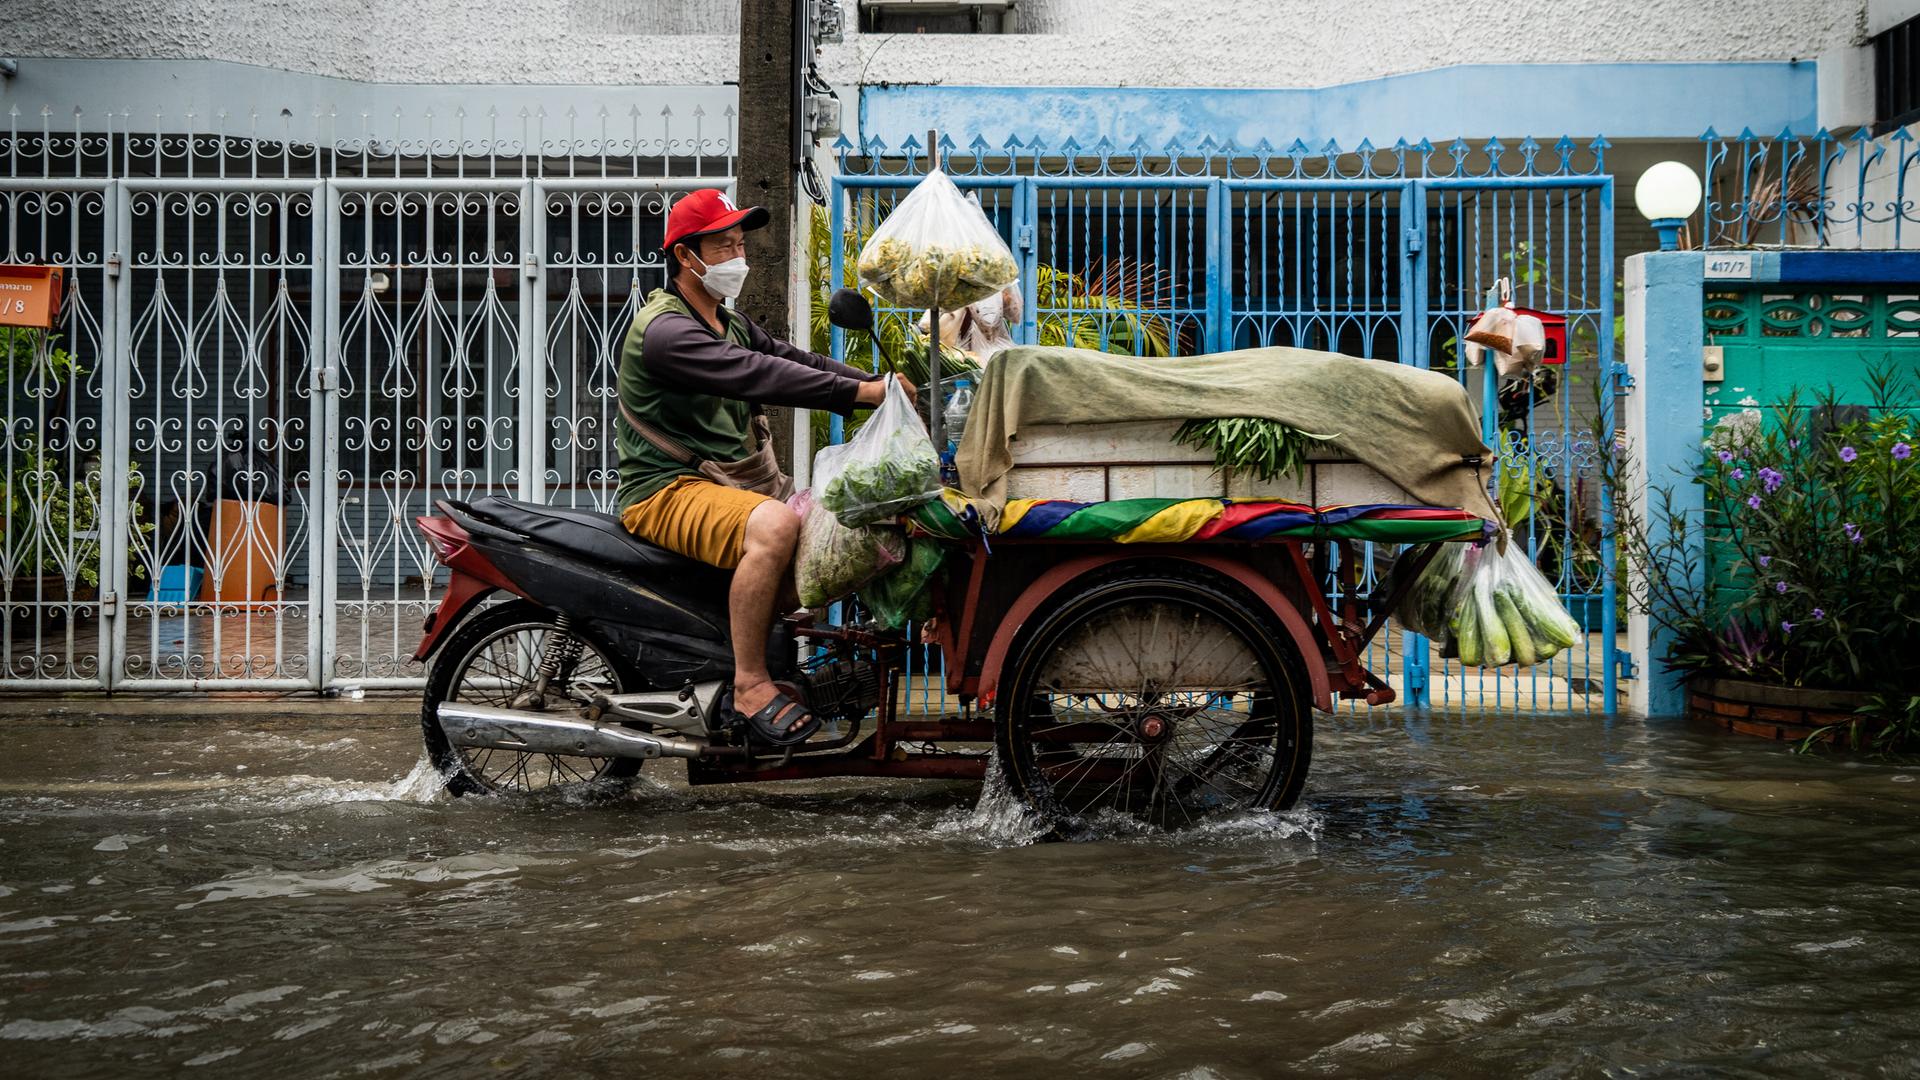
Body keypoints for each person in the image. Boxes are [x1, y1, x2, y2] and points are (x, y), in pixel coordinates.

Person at [614, 188, 910, 746]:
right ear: (685, 255)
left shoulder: (728, 321)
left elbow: (792, 359)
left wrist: (879, 385)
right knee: (776, 526)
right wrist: (861, 395)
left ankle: (736, 650)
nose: (738, 257)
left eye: (740, 243)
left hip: (724, 484)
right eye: (723, 246)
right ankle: (750, 683)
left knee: (840, 528)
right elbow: (755, 373)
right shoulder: (666, 331)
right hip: (665, 489)